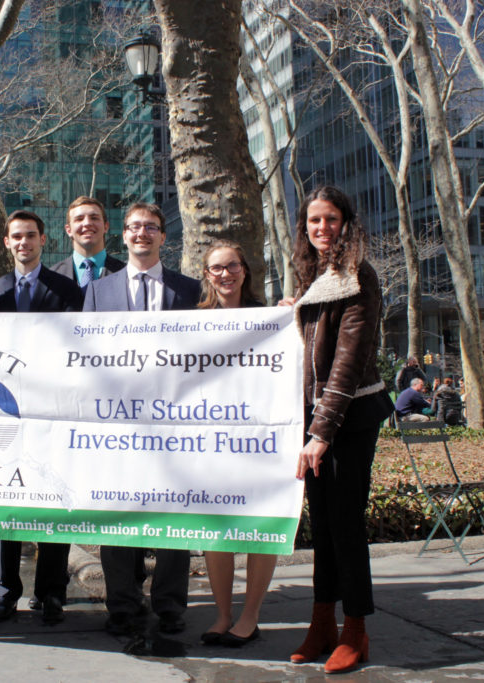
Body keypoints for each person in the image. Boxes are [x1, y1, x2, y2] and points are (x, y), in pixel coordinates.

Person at [280, 186, 393, 674]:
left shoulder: (357, 277)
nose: (321, 228)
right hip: (314, 419)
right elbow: (312, 353)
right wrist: (291, 316)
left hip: (347, 420)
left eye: (330, 219)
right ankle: (321, 622)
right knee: (322, 527)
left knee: (346, 526)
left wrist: (321, 432)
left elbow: (347, 364)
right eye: (313, 221)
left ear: (347, 222)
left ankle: (356, 630)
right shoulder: (316, 276)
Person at [83, 201, 200, 637]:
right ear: (124, 235)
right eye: (134, 227)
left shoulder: (188, 291)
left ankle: (170, 605)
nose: (141, 234)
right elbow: (84, 360)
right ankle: (123, 606)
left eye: (151, 227)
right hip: (117, 427)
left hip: (175, 426)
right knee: (115, 515)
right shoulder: (98, 292)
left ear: (163, 237)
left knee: (176, 517)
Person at [0, 210, 82, 626]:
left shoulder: (68, 290)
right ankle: (6, 591)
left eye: (31, 236)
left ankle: (51, 592)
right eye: (16, 237)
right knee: (4, 504)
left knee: (53, 502)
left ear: (44, 240)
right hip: (5, 414)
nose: (23, 243)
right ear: (6, 243)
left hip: (52, 413)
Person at [197, 240, 277, 648]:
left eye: (232, 266)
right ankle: (223, 615)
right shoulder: (193, 321)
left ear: (244, 270)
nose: (224, 274)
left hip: (260, 443)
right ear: (206, 275)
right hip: (210, 443)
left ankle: (250, 616)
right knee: (216, 532)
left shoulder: (271, 320)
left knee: (261, 528)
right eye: (216, 269)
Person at [50, 196, 125, 290]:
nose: (87, 223)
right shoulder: (52, 276)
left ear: (106, 226)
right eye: (79, 219)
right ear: (68, 230)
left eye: (94, 218)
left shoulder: (126, 273)